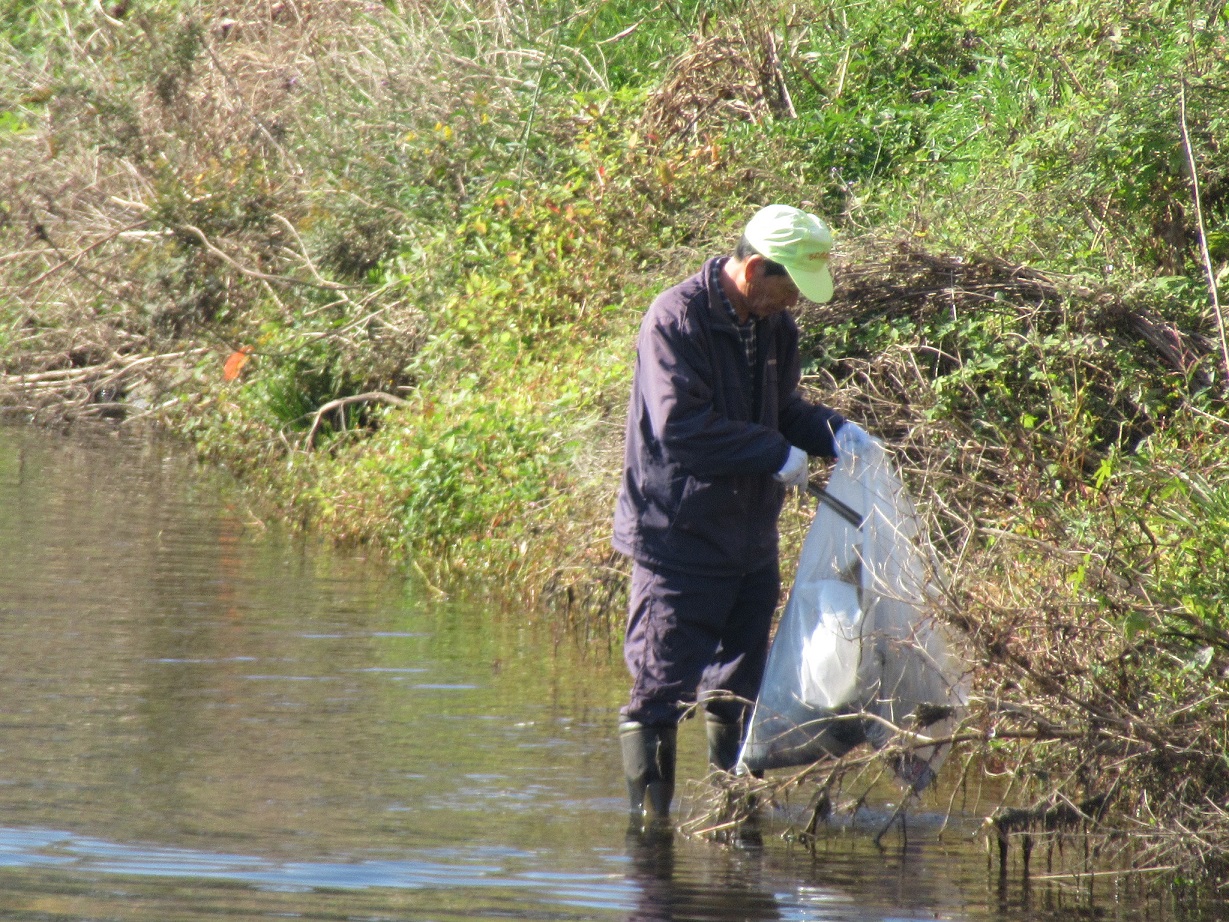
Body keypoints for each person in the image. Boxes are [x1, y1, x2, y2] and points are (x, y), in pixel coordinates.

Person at [612, 203, 873, 830]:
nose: (795, 305)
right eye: (788, 289)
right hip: (678, 535)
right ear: (755, 269)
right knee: (659, 690)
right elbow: (681, 428)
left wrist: (834, 432)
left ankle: (733, 819)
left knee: (737, 686)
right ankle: (650, 843)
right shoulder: (674, 321)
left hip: (749, 537)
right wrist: (771, 451)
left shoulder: (775, 327)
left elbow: (781, 411)